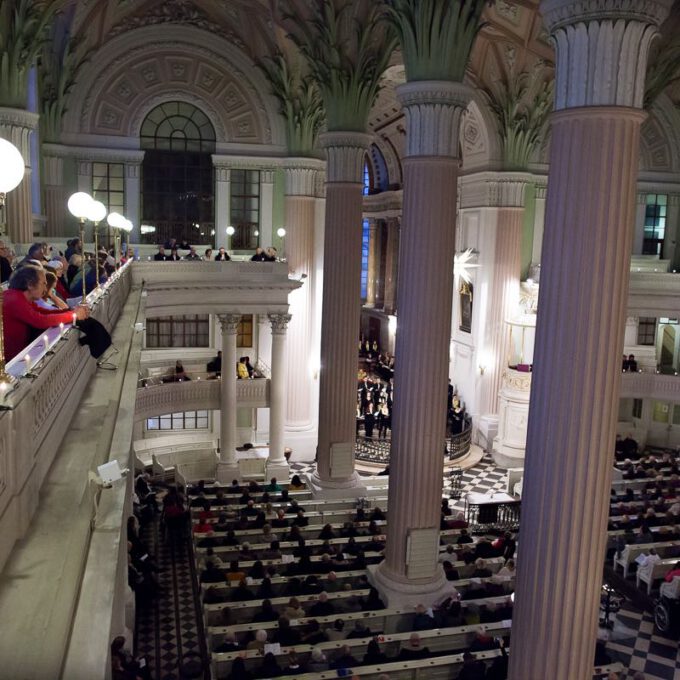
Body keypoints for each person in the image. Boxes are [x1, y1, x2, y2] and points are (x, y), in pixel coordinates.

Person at [3, 266, 89, 361]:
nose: (45, 287)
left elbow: (42, 311)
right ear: (30, 284)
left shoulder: (19, 296)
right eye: (43, 283)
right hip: (9, 361)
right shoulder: (15, 299)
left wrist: (71, 311)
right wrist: (74, 315)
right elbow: (40, 320)